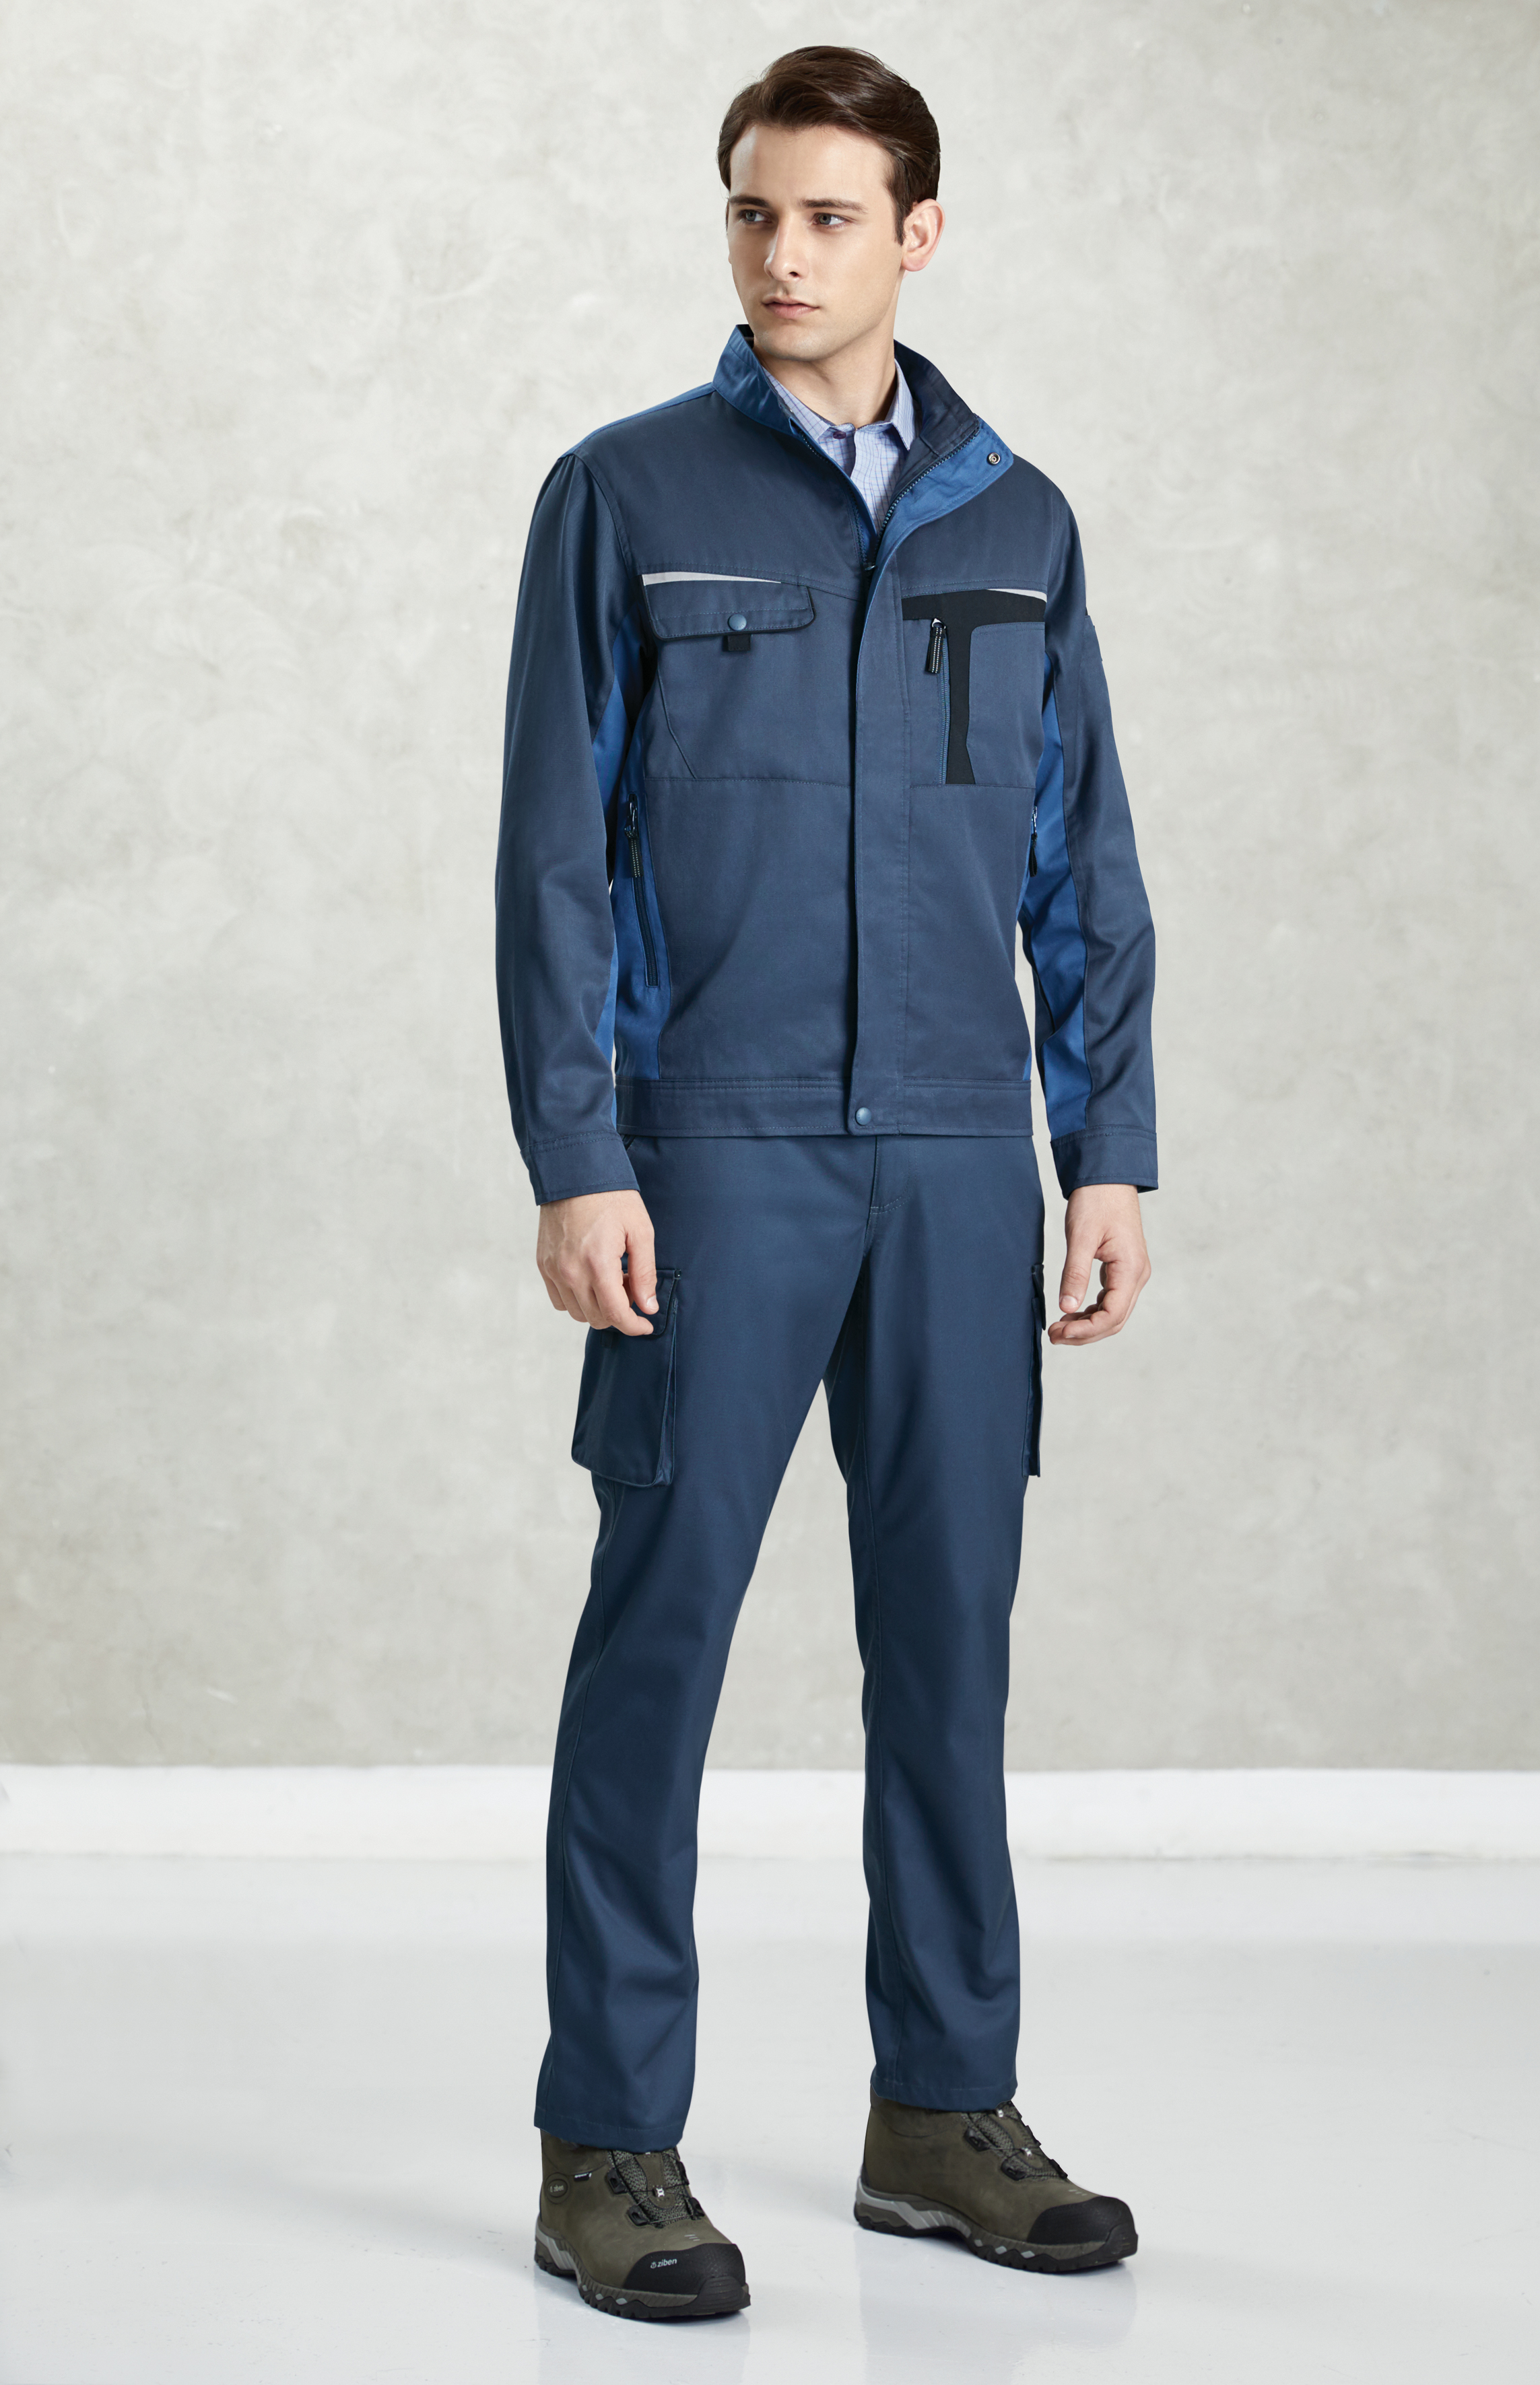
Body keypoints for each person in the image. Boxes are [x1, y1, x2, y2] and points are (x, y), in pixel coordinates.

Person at [496, 44, 1156, 2323]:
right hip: (718, 1148)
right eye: (755, 215)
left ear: (918, 236)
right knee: (661, 1642)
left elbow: (1084, 857)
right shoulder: (627, 493)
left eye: (830, 218)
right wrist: (580, 1153)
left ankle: (942, 2113)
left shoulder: (1019, 523)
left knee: (947, 1647)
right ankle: (609, 2143)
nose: (784, 257)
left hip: (965, 1153)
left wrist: (1107, 1148)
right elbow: (554, 860)